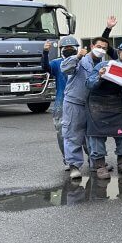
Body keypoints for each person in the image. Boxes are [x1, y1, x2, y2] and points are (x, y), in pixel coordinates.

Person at [85, 40, 122, 178]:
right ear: (119, 52)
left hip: (118, 104)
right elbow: (89, 84)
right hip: (97, 104)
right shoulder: (104, 65)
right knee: (97, 136)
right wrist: (99, 76)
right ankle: (100, 166)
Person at [61, 38, 106, 177]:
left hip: (94, 104)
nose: (101, 50)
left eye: (104, 48)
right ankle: (74, 165)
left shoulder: (105, 64)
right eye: (98, 46)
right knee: (73, 134)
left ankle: (96, 163)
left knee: (94, 134)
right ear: (92, 46)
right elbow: (65, 68)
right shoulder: (80, 60)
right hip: (75, 102)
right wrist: (78, 55)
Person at [42, 36, 78, 169]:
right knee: (61, 133)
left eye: (71, 48)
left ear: (76, 49)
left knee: (85, 132)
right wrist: (45, 52)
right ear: (61, 50)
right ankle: (67, 159)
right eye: (66, 48)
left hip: (81, 101)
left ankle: (94, 159)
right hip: (61, 102)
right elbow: (45, 67)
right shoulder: (57, 63)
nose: (68, 50)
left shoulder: (82, 61)